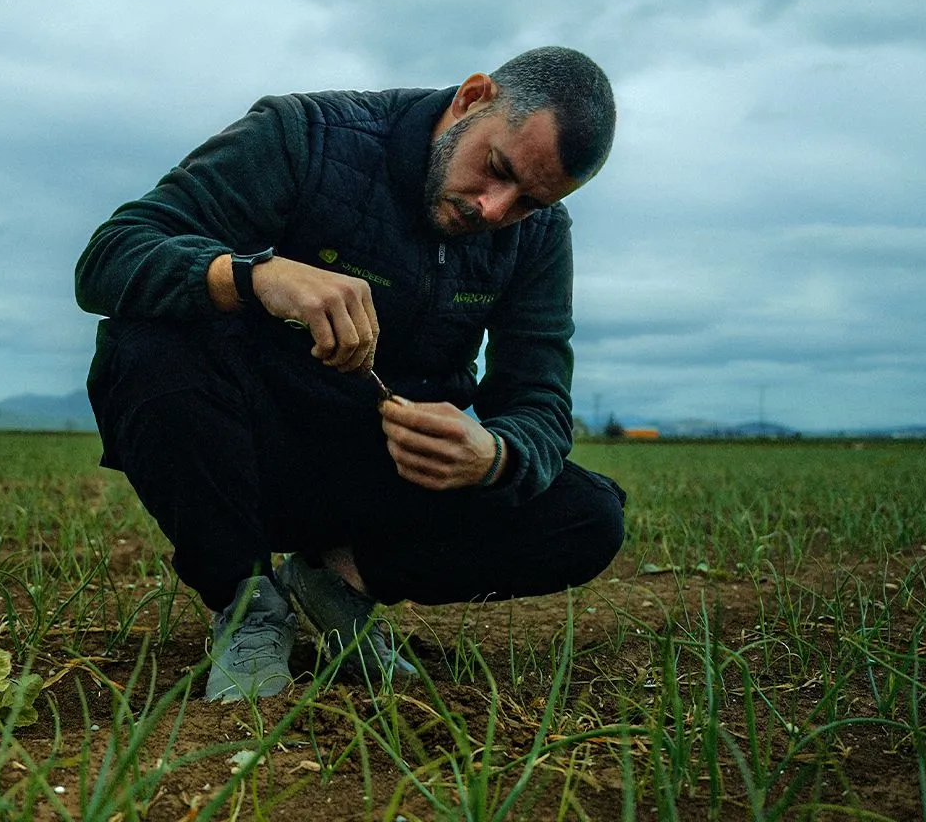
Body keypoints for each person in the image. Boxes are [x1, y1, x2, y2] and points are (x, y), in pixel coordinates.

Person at [76, 46, 627, 702]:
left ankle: (335, 582)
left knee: (588, 517)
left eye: (528, 201)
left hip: (382, 477)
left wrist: (494, 455)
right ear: (473, 97)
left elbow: (538, 398)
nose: (494, 209)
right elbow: (109, 257)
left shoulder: (536, 237)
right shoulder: (303, 137)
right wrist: (257, 276)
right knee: (146, 338)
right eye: (496, 169)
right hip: (247, 457)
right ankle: (246, 604)